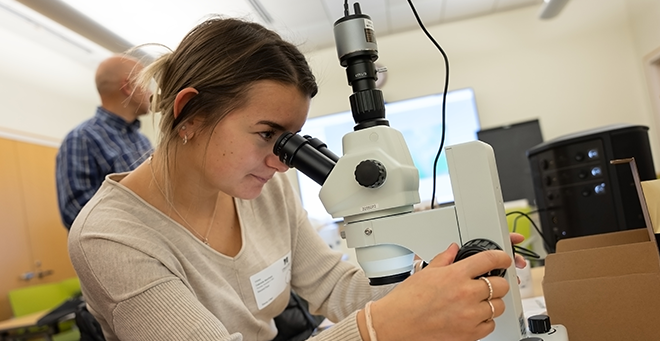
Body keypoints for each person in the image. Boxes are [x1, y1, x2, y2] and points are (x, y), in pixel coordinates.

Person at [68, 17, 526, 341]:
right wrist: (379, 328)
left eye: (290, 140)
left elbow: (332, 285)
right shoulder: (109, 237)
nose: (283, 161)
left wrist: (443, 274)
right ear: (189, 112)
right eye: (268, 134)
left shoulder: (263, 187)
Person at [56, 55, 153, 229]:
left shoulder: (142, 141)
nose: (151, 93)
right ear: (128, 86)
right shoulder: (81, 138)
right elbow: (76, 212)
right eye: (146, 84)